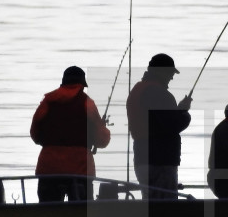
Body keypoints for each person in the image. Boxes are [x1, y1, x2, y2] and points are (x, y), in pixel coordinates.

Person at [30, 66, 111, 202]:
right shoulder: (87, 104)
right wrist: (102, 127)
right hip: (80, 169)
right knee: (81, 216)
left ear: (63, 82)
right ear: (82, 85)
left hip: (49, 168)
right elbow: (102, 140)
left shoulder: (47, 102)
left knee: (48, 214)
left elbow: (35, 134)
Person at [126, 53, 192, 199]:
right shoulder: (159, 93)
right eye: (170, 73)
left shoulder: (138, 90)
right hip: (159, 161)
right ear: (160, 71)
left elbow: (158, 121)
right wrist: (185, 115)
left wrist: (178, 111)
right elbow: (172, 124)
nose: (172, 77)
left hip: (142, 159)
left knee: (150, 207)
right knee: (164, 211)